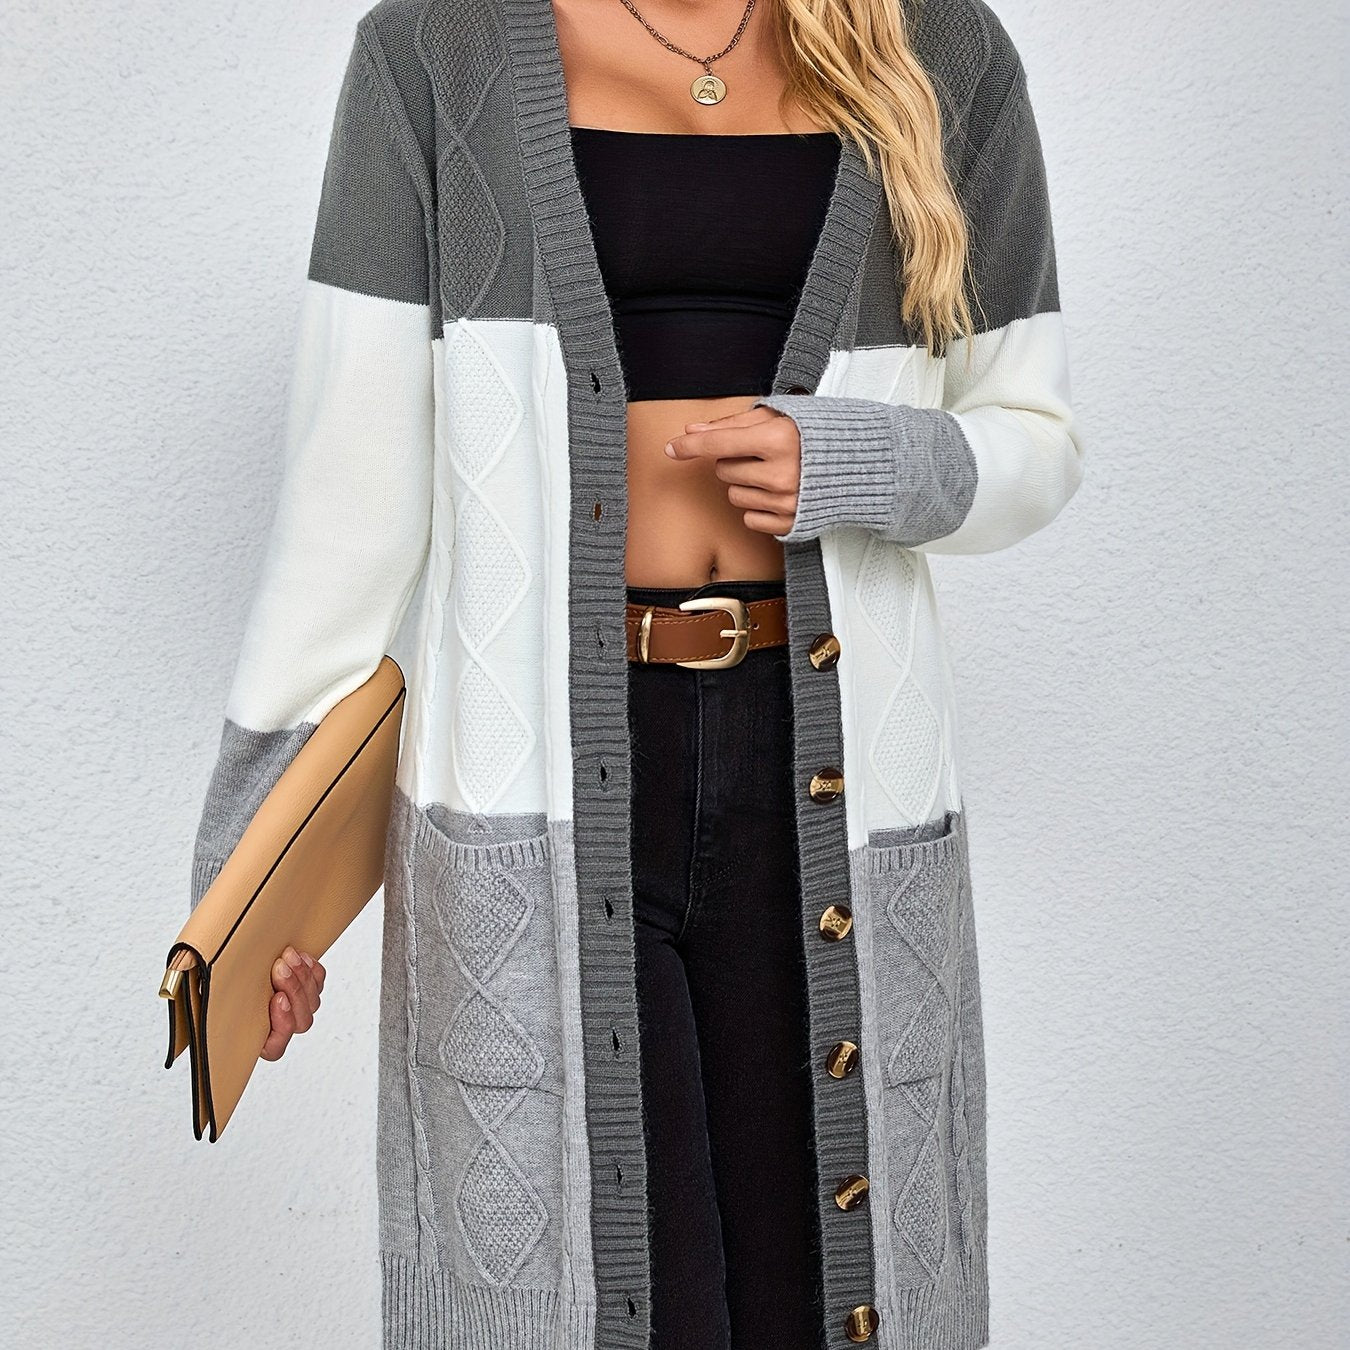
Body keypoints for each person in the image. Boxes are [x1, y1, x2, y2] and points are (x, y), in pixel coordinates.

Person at [190, 0, 1083, 1346]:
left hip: (830, 780)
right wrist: (244, 884)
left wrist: (859, 459)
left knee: (820, 1292)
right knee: (610, 1303)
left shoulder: (937, 50)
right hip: (536, 793)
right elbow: (345, 502)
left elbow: (1036, 435)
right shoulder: (433, 53)